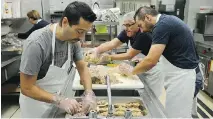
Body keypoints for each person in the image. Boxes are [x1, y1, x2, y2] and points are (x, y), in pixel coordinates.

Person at [19, 1, 97, 118]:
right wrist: (59, 100)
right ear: (65, 22)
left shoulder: (73, 41)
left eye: (85, 32)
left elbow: (83, 68)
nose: (81, 37)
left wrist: (89, 93)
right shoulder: (37, 43)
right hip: (36, 106)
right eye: (80, 31)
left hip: (59, 102)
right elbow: (26, 87)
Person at [118, 7, 199, 118]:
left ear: (147, 17)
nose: (141, 30)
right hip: (177, 75)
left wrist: (132, 71)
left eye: (140, 25)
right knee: (174, 112)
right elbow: (170, 50)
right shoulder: (165, 22)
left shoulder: (162, 26)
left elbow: (151, 61)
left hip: (182, 77)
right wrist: (143, 61)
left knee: (177, 115)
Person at [85, 12, 164, 99]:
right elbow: (112, 43)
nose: (127, 28)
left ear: (137, 24)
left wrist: (109, 57)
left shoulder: (143, 35)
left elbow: (129, 55)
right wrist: (97, 50)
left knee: (150, 98)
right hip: (139, 68)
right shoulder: (128, 32)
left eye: (129, 25)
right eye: (125, 25)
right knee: (140, 94)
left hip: (152, 72)